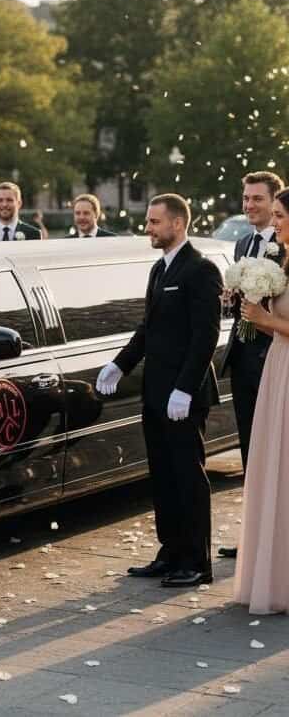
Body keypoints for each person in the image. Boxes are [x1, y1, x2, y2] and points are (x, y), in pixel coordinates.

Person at [96, 194, 221, 587]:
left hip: (184, 397)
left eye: (154, 222)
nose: (147, 229)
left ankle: (197, 562)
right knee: (163, 476)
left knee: (188, 477)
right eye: (148, 222)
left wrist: (185, 389)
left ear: (178, 224)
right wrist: (120, 363)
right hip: (155, 393)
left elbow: (206, 337)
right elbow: (147, 330)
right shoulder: (158, 269)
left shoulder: (201, 269)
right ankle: (170, 552)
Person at [218, 171, 285, 560]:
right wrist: (232, 297)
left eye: (257, 199)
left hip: (274, 356)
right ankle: (252, 534)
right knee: (251, 448)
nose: (249, 206)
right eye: (245, 199)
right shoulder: (243, 242)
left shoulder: (285, 244)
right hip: (243, 358)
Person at [233, 186, 289, 614]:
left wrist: (266, 318)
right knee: (274, 466)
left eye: (282, 217)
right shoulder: (283, 262)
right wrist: (254, 313)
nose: (276, 224)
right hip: (278, 366)